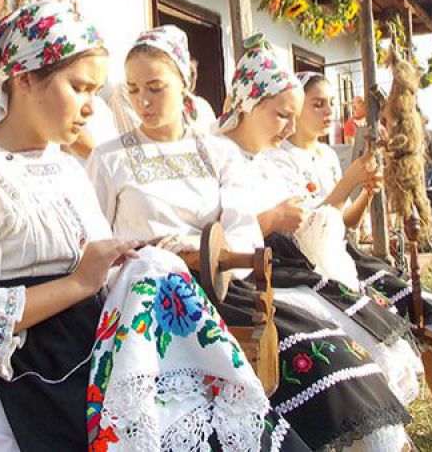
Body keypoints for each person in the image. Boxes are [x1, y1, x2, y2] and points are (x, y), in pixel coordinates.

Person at [0, 3, 264, 450]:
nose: (89, 107)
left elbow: (99, 268)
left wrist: (135, 266)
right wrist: (79, 283)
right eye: (79, 87)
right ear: (24, 78)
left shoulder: (67, 169)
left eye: (96, 92)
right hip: (10, 377)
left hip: (82, 349)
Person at [87, 28, 400, 451]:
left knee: (326, 355)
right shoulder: (109, 157)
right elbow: (96, 241)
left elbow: (240, 226)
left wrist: (206, 255)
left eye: (155, 88)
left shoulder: (215, 153)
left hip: (219, 287)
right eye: (133, 89)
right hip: (141, 300)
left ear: (185, 83)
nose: (143, 101)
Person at [265, 72, 432, 452]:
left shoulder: (326, 155)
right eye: (317, 104)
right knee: (379, 320)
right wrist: (348, 183)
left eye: (331, 103)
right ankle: (391, 434)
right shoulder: (277, 159)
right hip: (306, 263)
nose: (328, 111)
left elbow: (343, 222)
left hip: (343, 252)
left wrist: (363, 193)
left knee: (418, 302)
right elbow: (303, 229)